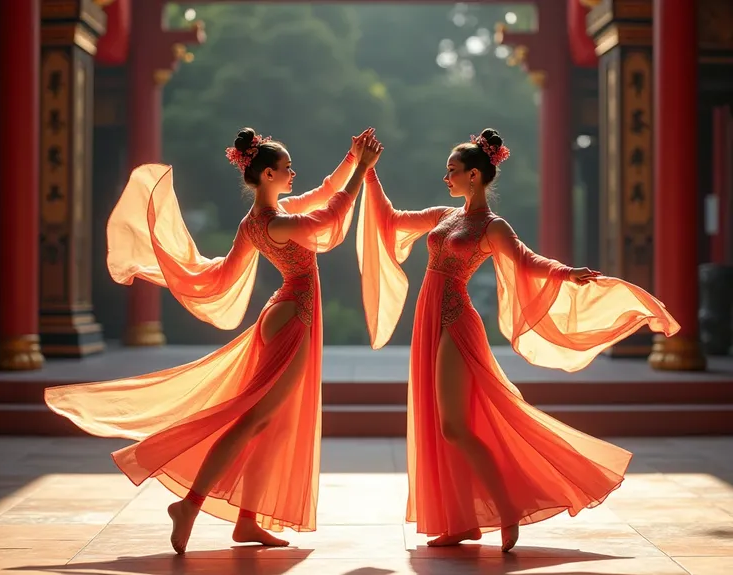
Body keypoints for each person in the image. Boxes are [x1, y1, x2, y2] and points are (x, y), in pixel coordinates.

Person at [45, 127, 383, 554]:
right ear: (265, 176)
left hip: (287, 314)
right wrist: (362, 172)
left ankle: (247, 519)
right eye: (285, 168)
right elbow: (331, 217)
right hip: (292, 315)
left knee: (270, 424)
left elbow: (323, 195)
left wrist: (353, 160)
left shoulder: (260, 220)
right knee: (253, 419)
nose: (293, 172)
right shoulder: (278, 222)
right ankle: (190, 503)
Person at [356, 128, 679, 552]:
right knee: (439, 424)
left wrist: (567, 273)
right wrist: (367, 172)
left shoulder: (492, 226)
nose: (445, 177)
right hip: (428, 319)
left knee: (455, 427)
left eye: (452, 171)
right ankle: (462, 521)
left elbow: (527, 260)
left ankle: (506, 510)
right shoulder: (443, 217)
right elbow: (391, 220)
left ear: (474, 175)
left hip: (455, 321)